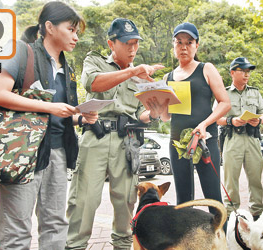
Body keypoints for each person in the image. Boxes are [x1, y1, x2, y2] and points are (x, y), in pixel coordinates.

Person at [0, 2, 97, 250]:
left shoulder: (66, 67)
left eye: (76, 31)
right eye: (71, 29)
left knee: (55, 224)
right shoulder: (18, 50)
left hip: (58, 152)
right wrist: (50, 107)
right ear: (49, 27)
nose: (75, 36)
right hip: (22, 153)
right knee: (17, 228)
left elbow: (61, 112)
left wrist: (81, 117)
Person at [65, 18, 165, 250]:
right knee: (84, 201)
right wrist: (133, 72)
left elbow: (140, 113)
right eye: (127, 43)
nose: (132, 49)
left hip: (126, 142)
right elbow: (93, 84)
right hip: (95, 138)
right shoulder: (95, 61)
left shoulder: (143, 75)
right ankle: (75, 246)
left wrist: (153, 113)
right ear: (112, 44)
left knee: (126, 203)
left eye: (136, 43)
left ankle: (122, 246)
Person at [160, 22, 230, 216]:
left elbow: (225, 103)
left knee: (213, 199)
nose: (183, 47)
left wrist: (204, 124)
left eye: (189, 42)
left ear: (196, 45)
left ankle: (219, 244)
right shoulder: (168, 77)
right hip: (178, 144)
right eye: (179, 42)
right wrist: (157, 106)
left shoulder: (206, 69)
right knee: (183, 200)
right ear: (173, 45)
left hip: (205, 141)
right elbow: (166, 117)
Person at [216, 57, 263, 220]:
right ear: (232, 73)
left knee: (255, 179)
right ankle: (231, 217)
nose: (246, 75)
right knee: (231, 180)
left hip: (252, 138)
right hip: (232, 139)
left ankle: (258, 214)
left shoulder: (255, 92)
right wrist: (232, 120)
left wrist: (259, 120)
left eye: (248, 72)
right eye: (243, 71)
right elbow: (216, 118)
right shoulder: (223, 93)